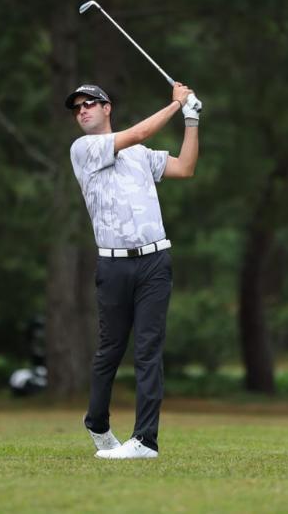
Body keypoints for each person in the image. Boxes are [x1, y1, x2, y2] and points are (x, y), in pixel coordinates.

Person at [65, 82, 201, 459]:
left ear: (107, 107)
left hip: (155, 261)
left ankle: (145, 440)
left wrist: (192, 119)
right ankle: (97, 422)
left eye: (88, 104)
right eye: (76, 108)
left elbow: (185, 167)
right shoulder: (83, 149)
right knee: (110, 350)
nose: (82, 111)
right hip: (113, 264)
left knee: (148, 351)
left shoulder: (140, 155)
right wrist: (176, 105)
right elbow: (139, 131)